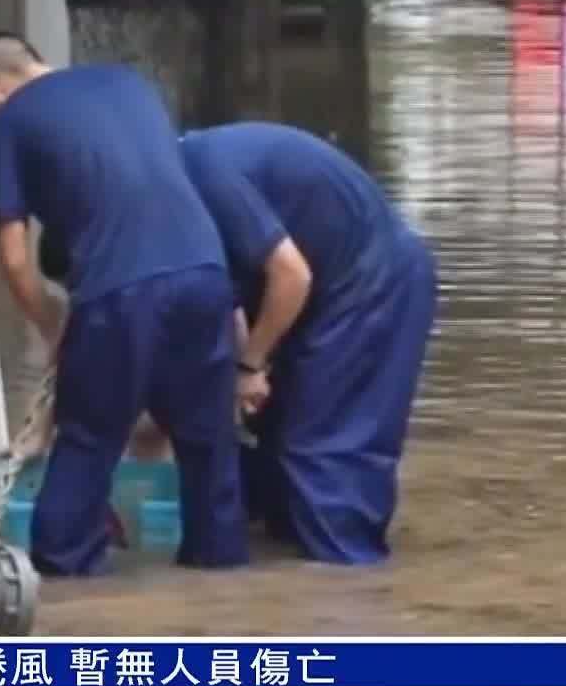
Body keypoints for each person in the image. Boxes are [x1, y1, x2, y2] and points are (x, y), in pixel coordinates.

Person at [0, 32, 247, 577]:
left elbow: (16, 259)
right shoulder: (128, 82)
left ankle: (71, 595)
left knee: (89, 438)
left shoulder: (7, 123)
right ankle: (221, 585)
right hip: (207, 272)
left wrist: (52, 324)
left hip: (121, 291)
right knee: (209, 446)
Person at [178, 122, 438, 566]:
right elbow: (231, 302)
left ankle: (348, 601)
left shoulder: (201, 169)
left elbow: (291, 275)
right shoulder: (183, 188)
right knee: (273, 440)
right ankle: (290, 596)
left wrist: (250, 365)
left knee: (322, 451)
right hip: (325, 292)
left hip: (371, 284)